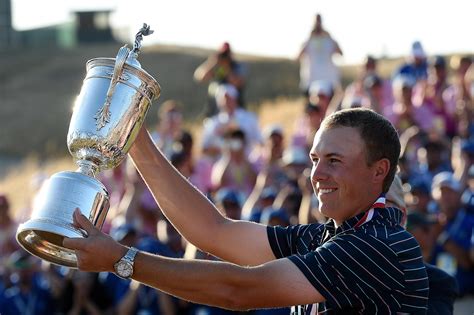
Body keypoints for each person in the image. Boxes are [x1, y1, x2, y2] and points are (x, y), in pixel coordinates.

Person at [63, 108, 429, 313]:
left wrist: (120, 260)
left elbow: (239, 290)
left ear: (379, 170)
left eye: (334, 160)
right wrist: (137, 139)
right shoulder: (331, 234)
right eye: (315, 159)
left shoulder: (379, 245)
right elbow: (212, 231)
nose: (316, 174)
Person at [298, 14, 343, 96]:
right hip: (312, 79)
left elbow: (340, 52)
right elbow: (299, 56)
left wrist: (330, 37)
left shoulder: (329, 39)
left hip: (328, 80)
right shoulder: (309, 40)